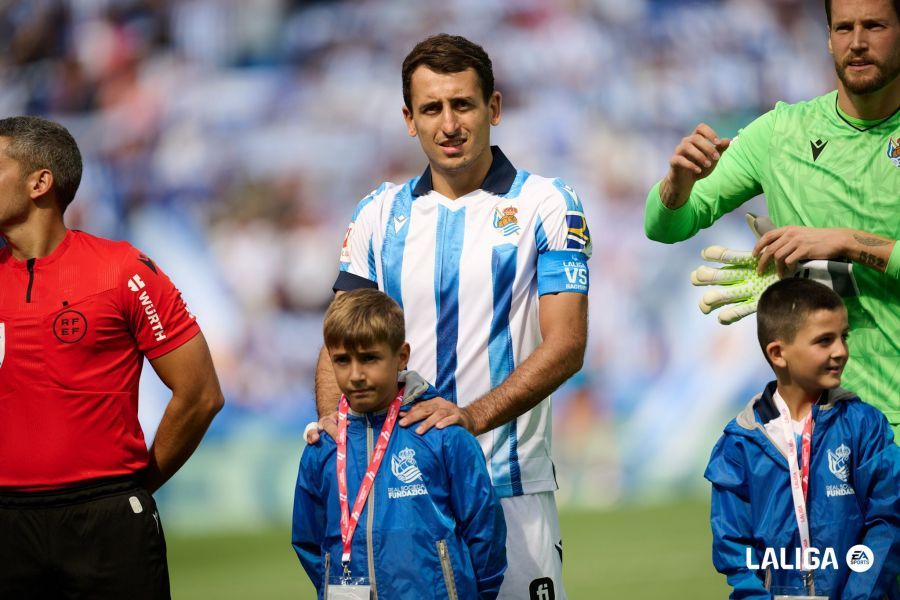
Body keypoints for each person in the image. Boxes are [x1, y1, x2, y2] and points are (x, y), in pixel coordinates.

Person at [308, 34, 591, 598]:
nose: (449, 123)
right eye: (432, 109)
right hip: (401, 493)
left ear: (494, 108)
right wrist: (343, 444)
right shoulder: (376, 214)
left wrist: (471, 416)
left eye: (463, 104)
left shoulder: (548, 204)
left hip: (510, 483)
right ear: (409, 120)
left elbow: (567, 345)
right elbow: (335, 345)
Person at [644, 0, 900, 437]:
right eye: (843, 29)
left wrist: (847, 242)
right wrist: (677, 182)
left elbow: (843, 246)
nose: (857, 43)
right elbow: (666, 225)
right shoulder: (780, 134)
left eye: (874, 26)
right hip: (819, 426)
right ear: (827, 38)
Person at [0, 116, 224, 599]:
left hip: (108, 519)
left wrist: (135, 488)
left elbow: (201, 393)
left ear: (40, 183)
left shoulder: (122, 270)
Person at [292, 289, 507, 599]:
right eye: (342, 360)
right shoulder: (322, 446)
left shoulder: (441, 433)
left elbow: (486, 532)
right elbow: (309, 542)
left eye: (369, 358)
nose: (356, 375)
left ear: (401, 356)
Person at [705, 278, 900, 599]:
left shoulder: (864, 425)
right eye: (824, 341)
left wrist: (859, 596)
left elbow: (888, 522)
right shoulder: (740, 442)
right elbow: (735, 549)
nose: (841, 350)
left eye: (843, 337)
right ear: (778, 353)